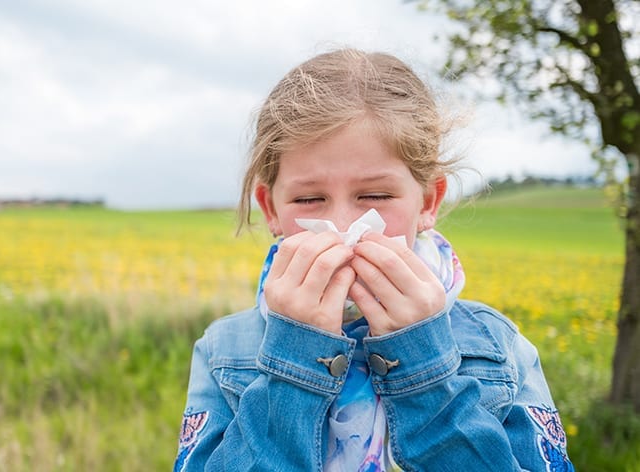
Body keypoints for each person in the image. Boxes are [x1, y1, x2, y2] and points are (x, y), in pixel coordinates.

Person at [174, 48, 574, 471]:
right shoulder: (225, 350)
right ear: (270, 209)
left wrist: (423, 366)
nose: (344, 228)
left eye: (376, 197)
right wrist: (294, 359)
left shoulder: (497, 347)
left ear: (428, 200)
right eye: (309, 199)